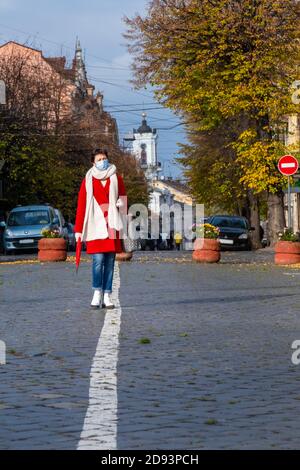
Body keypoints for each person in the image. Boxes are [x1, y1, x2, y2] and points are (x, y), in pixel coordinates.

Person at [74, 148, 127, 309]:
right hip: (94, 225)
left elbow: (123, 198)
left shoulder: (115, 177)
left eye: (104, 158)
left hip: (111, 225)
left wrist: (121, 204)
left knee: (110, 262)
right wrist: (78, 230)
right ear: (93, 162)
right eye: (99, 159)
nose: (102, 161)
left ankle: (107, 295)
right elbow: (82, 205)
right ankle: (97, 292)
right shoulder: (88, 179)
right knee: (97, 261)